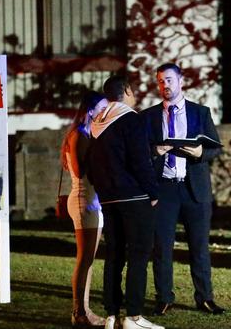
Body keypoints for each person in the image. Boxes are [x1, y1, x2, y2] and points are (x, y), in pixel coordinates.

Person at [141, 63, 225, 316]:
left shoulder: (200, 112)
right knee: (162, 247)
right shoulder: (148, 116)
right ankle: (164, 298)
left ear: (180, 81)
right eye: (160, 81)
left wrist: (200, 152)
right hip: (164, 188)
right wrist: (154, 151)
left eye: (169, 80)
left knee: (199, 247)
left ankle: (205, 297)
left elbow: (216, 148)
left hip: (194, 190)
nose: (165, 85)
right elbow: (139, 152)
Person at [85, 75, 164, 329]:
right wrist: (153, 193)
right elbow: (140, 161)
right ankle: (133, 316)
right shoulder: (132, 119)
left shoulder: (96, 123)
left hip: (108, 199)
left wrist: (104, 189)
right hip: (135, 197)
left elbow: (91, 167)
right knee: (139, 255)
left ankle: (111, 315)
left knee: (114, 255)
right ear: (127, 91)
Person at [60, 90, 109, 328]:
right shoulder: (79, 135)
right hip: (84, 200)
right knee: (84, 259)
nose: (105, 112)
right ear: (90, 110)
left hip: (92, 200)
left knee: (89, 259)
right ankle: (79, 312)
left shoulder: (88, 133)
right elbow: (80, 171)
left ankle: (85, 310)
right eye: (102, 107)